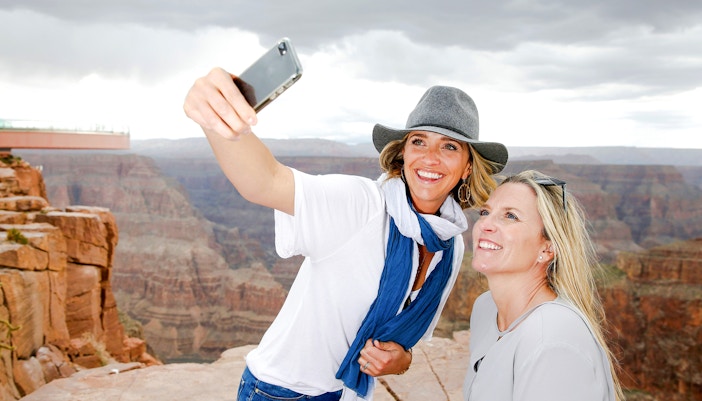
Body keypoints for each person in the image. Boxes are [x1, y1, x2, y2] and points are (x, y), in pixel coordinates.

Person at [184, 66, 508, 401]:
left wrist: (400, 360)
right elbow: (265, 182)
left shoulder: (450, 244)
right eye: (419, 141)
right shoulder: (362, 205)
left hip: (348, 395)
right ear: (403, 152)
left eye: (449, 147)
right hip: (281, 392)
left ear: (468, 166)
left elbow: (405, 344)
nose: (429, 158)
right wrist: (216, 117)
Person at [463, 170, 624, 401]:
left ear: (547, 249)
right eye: (485, 212)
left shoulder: (552, 337)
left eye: (510, 216)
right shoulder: (485, 309)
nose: (485, 224)